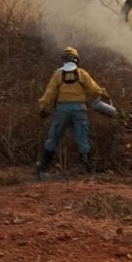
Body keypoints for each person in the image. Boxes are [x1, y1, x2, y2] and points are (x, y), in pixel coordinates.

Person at [36, 46, 108, 180]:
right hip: (79, 109)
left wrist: (43, 105)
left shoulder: (58, 74)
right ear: (76, 59)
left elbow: (49, 92)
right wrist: (103, 93)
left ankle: (44, 170)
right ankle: (85, 171)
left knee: (54, 137)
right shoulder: (82, 73)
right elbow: (94, 90)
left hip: (62, 110)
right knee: (82, 137)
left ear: (63, 60)